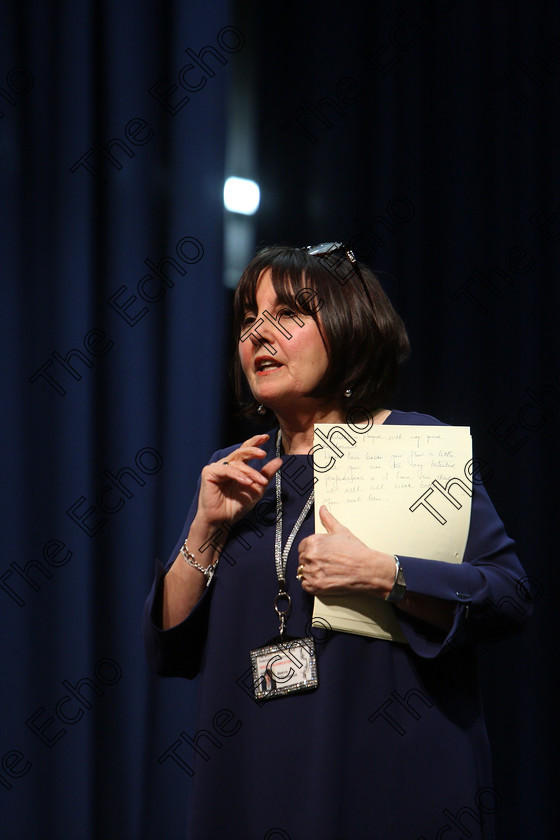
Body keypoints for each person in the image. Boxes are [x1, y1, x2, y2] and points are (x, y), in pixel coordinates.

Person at [143, 243, 532, 840]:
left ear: (349, 326)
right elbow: (169, 647)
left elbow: (507, 598)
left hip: (389, 782)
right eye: (249, 318)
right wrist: (205, 529)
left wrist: (387, 574)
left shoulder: (415, 448)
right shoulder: (236, 469)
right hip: (253, 783)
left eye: (288, 314)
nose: (258, 334)